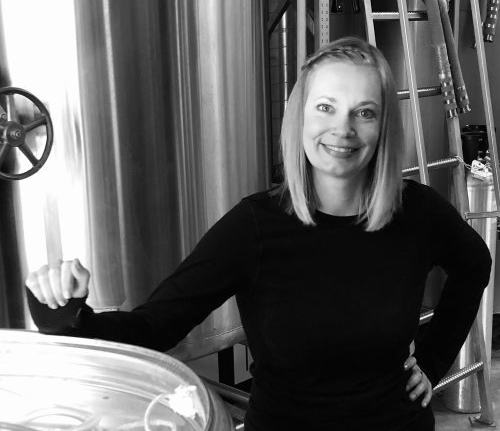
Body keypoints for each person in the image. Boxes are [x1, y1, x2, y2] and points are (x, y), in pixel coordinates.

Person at [25, 36, 492, 431]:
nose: (343, 129)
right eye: (325, 107)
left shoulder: (417, 212)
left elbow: (475, 265)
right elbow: (155, 326)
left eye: (364, 112)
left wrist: (433, 360)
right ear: (300, 116)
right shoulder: (255, 225)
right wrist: (68, 317)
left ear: (383, 126)